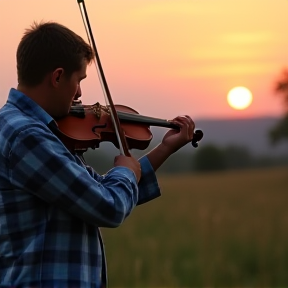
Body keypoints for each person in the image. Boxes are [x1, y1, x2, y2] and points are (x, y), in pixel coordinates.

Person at [0, 22, 195, 288]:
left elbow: (98, 188)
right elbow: (108, 205)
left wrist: (165, 147)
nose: (80, 95)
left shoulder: (31, 130)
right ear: (57, 77)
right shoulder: (26, 136)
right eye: (79, 80)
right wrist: (125, 170)